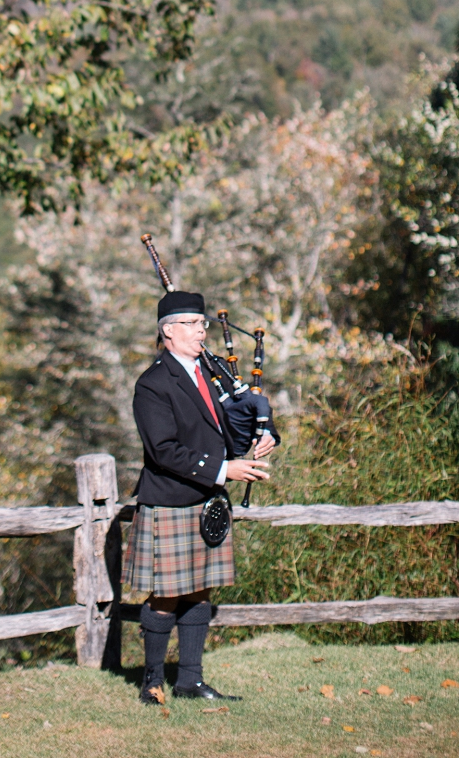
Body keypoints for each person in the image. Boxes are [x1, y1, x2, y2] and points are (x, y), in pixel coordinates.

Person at [122, 289, 276, 704]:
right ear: (168, 331)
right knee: (166, 594)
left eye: (203, 323)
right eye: (192, 324)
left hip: (207, 500)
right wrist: (226, 469)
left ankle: (190, 681)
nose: (202, 331)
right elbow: (163, 450)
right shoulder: (152, 384)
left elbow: (248, 409)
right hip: (171, 499)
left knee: (200, 589)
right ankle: (152, 682)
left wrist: (266, 433)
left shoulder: (213, 375)